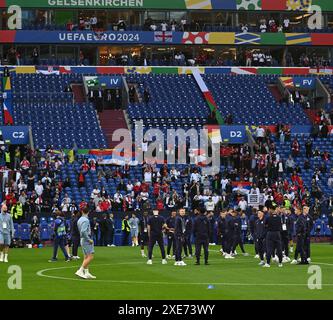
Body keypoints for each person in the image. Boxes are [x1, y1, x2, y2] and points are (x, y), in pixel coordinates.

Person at [75, 207, 96, 279]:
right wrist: (89, 239)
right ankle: (80, 270)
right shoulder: (86, 220)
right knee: (90, 256)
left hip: (82, 239)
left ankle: (86, 272)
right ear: (88, 212)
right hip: (86, 239)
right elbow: (83, 231)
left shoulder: (79, 219)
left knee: (86, 257)